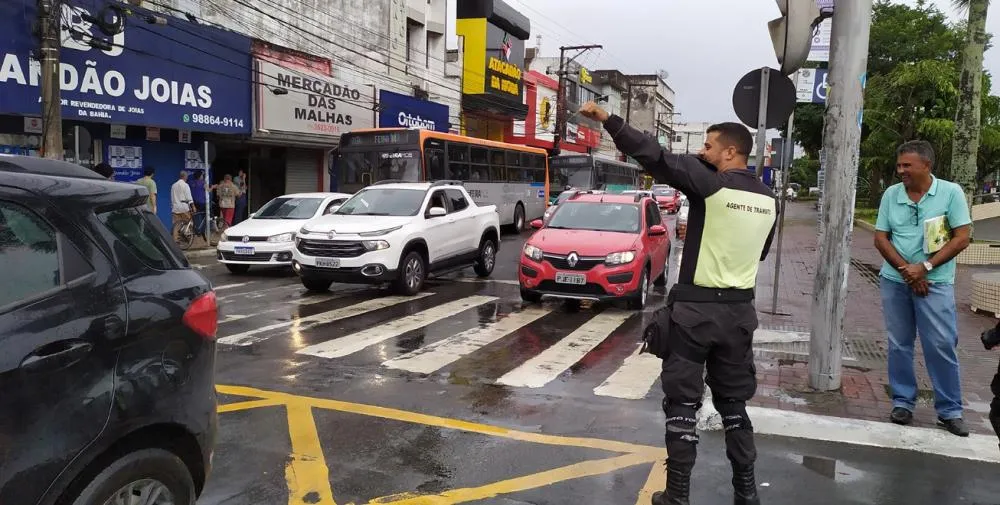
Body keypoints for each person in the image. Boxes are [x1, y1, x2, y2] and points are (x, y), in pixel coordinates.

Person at [579, 102, 777, 505]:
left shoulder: (711, 184)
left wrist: (609, 120)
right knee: (735, 407)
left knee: (683, 404)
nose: (703, 153)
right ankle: (747, 494)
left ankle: (677, 496)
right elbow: (759, 253)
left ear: (730, 153)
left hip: (696, 313)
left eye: (708, 147)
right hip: (739, 316)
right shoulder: (770, 199)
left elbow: (655, 155)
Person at [873, 140, 971, 437]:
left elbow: (962, 237)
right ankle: (903, 402)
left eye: (907, 165)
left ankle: (950, 410)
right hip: (896, 280)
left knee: (940, 345)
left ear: (926, 166)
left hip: (936, 283)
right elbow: (880, 238)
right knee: (899, 343)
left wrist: (924, 268)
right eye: (899, 164)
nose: (900, 170)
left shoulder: (950, 193)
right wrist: (908, 271)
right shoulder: (892, 195)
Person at [171, 170, 195, 242]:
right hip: (184, 207)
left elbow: (172, 197)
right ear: (185, 177)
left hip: (175, 208)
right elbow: (189, 197)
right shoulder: (185, 185)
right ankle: (186, 238)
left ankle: (175, 240)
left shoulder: (173, 185)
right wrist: (193, 206)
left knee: (176, 225)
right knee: (189, 223)